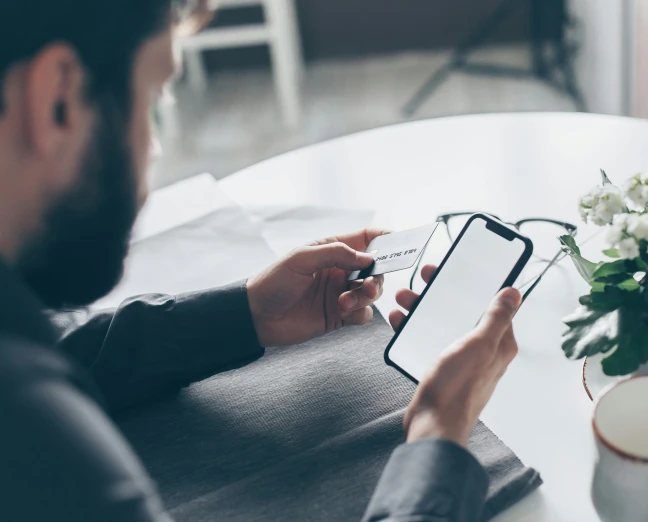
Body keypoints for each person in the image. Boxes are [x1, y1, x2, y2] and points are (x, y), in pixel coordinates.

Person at [0, 1, 522, 521]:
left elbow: (64, 349)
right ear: (58, 99)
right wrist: (438, 442)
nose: (154, 150)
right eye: (153, 99)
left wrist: (245, 314)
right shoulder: (40, 433)